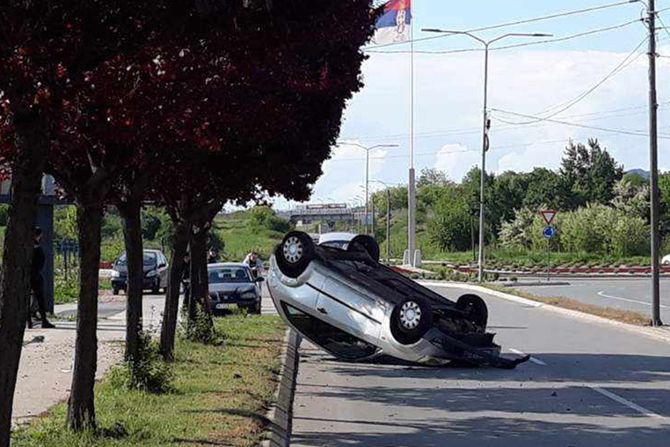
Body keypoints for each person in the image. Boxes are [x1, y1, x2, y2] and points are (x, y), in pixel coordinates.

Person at [28, 227, 54, 329]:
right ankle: (44, 320)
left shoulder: (25, 247)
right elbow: (40, 262)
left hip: (27, 275)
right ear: (39, 235)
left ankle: (29, 321)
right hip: (35, 275)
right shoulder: (37, 247)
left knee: (26, 299)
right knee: (40, 298)